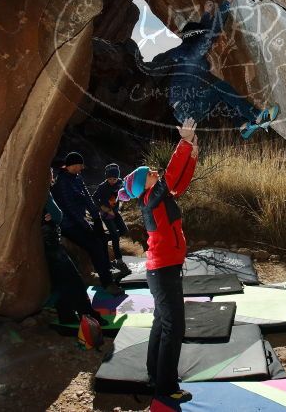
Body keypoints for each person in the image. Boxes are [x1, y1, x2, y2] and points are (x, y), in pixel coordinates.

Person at [119, 118, 199, 404]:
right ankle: (166, 387)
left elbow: (178, 183)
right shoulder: (152, 197)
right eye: (150, 172)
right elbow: (171, 176)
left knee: (161, 323)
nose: (155, 170)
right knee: (173, 327)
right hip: (163, 270)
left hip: (161, 270)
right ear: (146, 183)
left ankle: (155, 376)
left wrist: (192, 155)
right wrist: (185, 143)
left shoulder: (154, 197)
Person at [145, 0, 280, 139]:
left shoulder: (182, 52)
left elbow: (200, 34)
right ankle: (256, 117)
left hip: (184, 107)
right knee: (221, 87)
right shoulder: (192, 53)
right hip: (187, 107)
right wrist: (227, 3)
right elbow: (211, 33)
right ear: (195, 38)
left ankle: (242, 126)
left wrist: (207, 14)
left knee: (218, 90)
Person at [51, 152, 123, 296]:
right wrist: (86, 226)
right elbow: (69, 207)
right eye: (78, 165)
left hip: (81, 220)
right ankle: (107, 283)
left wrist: (96, 218)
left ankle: (106, 270)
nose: (81, 168)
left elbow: (88, 198)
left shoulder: (77, 178)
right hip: (68, 224)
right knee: (94, 245)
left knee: (102, 237)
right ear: (71, 165)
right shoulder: (62, 181)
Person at [42, 181, 105, 327]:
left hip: (41, 242)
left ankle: (66, 315)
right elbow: (58, 215)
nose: (52, 173)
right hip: (50, 240)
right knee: (74, 279)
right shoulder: (42, 189)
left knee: (59, 281)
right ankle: (89, 316)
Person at [93, 163, 131, 274]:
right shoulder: (102, 187)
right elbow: (94, 198)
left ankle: (105, 239)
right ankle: (119, 261)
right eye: (109, 178)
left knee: (124, 231)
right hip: (106, 214)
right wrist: (103, 208)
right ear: (106, 178)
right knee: (115, 235)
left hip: (115, 212)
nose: (112, 181)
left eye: (114, 178)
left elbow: (126, 190)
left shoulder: (120, 183)